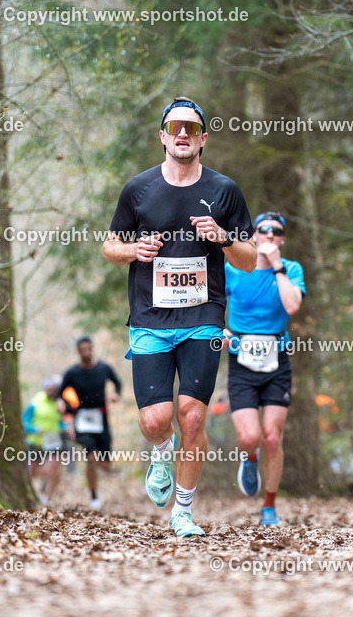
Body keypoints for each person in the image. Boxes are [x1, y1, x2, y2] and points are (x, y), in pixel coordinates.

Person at [103, 96, 256, 537]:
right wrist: (136, 250)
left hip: (204, 315)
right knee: (156, 420)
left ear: (203, 138)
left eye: (192, 129)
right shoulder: (139, 189)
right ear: (163, 137)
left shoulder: (224, 191)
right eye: (175, 128)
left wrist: (224, 237)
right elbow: (110, 246)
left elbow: (248, 260)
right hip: (149, 316)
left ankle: (183, 511)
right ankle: (160, 451)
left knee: (192, 415)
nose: (183, 135)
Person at [224, 211, 304, 526]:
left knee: (272, 437)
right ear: (252, 235)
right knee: (250, 437)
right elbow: (211, 300)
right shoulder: (232, 268)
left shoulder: (292, 269)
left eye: (276, 232)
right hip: (241, 360)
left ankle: (269, 507)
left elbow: (292, 305)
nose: (270, 235)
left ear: (282, 239)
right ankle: (249, 458)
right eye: (263, 230)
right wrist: (223, 330)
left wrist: (278, 266)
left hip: (276, 361)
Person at [60, 335, 122, 510]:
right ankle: (94, 496)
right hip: (82, 419)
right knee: (91, 457)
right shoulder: (72, 373)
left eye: (88, 349)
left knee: (104, 463)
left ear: (92, 349)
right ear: (78, 351)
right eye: (82, 350)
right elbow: (60, 392)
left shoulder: (103, 368)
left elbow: (117, 383)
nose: (86, 352)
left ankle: (104, 470)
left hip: (101, 418)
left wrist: (116, 394)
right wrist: (61, 402)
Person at [22, 376, 66, 505]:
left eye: (53, 389)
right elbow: (24, 420)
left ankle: (48, 498)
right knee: (32, 471)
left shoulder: (59, 404)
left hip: (53, 442)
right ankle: (32, 495)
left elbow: (61, 422)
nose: (50, 391)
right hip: (36, 441)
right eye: (48, 389)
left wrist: (66, 428)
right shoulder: (36, 402)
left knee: (54, 471)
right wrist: (34, 429)